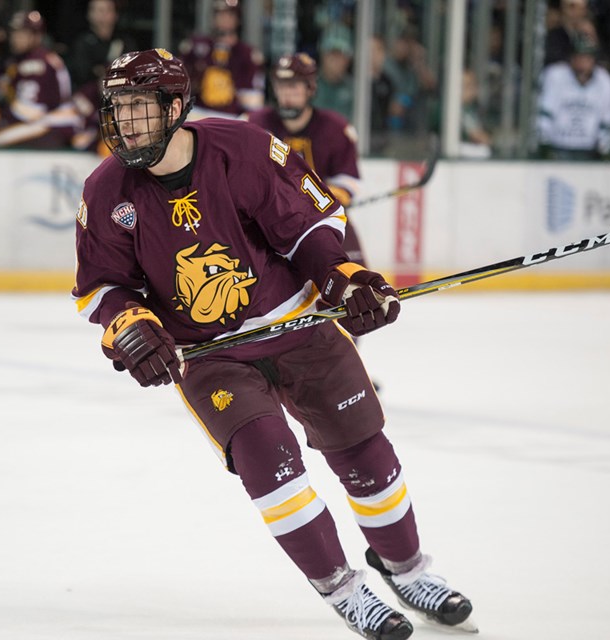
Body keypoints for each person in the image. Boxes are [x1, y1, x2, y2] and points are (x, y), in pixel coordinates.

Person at [72, 48, 475, 640]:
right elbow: (101, 285)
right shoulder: (107, 191)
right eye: (119, 107)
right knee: (271, 462)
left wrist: (344, 279)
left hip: (298, 325)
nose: (125, 121)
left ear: (176, 107)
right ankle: (343, 588)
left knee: (365, 452)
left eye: (139, 106)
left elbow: (309, 229)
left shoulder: (245, 150)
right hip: (208, 356)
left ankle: (407, 569)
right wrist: (131, 326)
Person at [244, 53, 365, 265]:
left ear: (310, 88)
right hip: (267, 224)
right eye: (281, 86)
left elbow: (349, 181)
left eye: (294, 86)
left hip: (323, 221)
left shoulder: (336, 129)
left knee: (357, 279)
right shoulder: (252, 125)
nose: (286, 94)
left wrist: (333, 193)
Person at [0, 10, 79, 149]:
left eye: (22, 33)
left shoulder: (38, 63)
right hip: (41, 121)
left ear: (36, 36)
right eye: (14, 33)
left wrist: (3, 117)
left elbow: (30, 111)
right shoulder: (16, 60)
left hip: (55, 122)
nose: (15, 38)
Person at [536, 35, 610, 160]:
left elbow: (606, 121)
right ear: (571, 58)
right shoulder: (556, 75)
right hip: (558, 148)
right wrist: (544, 144)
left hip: (589, 151)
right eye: (578, 56)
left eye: (587, 57)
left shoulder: (604, 81)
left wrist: (605, 149)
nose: (582, 61)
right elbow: (545, 116)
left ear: (594, 59)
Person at [179, 0, 264, 118]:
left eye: (229, 15)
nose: (224, 19)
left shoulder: (247, 53)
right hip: (197, 111)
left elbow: (254, 101)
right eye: (220, 14)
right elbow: (179, 83)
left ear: (238, 19)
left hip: (230, 116)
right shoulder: (197, 46)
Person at [67, 0, 138, 91]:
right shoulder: (82, 42)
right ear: (89, 15)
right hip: (90, 95)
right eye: (100, 10)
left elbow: (133, 70)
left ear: (116, 15)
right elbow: (81, 73)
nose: (104, 15)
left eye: (108, 10)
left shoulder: (125, 42)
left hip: (122, 93)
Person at [314, 24, 355, 120]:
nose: (336, 61)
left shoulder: (355, 89)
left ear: (348, 59)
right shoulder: (309, 87)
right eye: (332, 54)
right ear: (322, 55)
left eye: (341, 55)